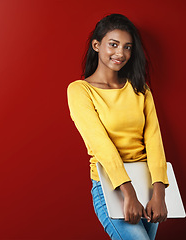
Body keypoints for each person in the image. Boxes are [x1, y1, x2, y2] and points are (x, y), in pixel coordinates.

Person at [66, 14, 170, 240]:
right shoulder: (80, 90)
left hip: (148, 185)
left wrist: (160, 193)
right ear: (97, 45)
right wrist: (128, 193)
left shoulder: (140, 89)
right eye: (113, 45)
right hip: (112, 187)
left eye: (127, 47)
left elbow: (154, 141)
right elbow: (100, 145)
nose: (120, 53)